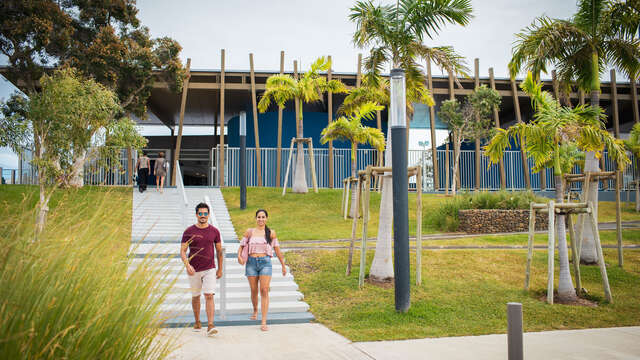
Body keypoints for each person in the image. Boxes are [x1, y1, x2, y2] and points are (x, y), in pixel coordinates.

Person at [237, 209, 286, 331]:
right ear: (255, 219)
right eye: (259, 217)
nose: (261, 219)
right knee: (254, 290)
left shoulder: (271, 233)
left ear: (267, 218)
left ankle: (264, 321)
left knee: (264, 290)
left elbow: (277, 250)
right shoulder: (249, 232)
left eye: (263, 217)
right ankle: (255, 310)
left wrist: (283, 265)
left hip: (265, 263)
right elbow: (241, 246)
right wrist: (239, 256)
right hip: (251, 264)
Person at [180, 202, 223, 336]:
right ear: (196, 214)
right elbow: (182, 251)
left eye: (205, 213)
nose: (203, 216)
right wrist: (188, 265)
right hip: (194, 269)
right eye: (200, 213)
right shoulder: (189, 231)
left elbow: (219, 251)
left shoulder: (214, 231)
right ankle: (197, 321)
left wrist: (220, 269)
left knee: (209, 295)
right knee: (196, 297)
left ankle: (210, 325)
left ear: (209, 215)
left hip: (210, 268)